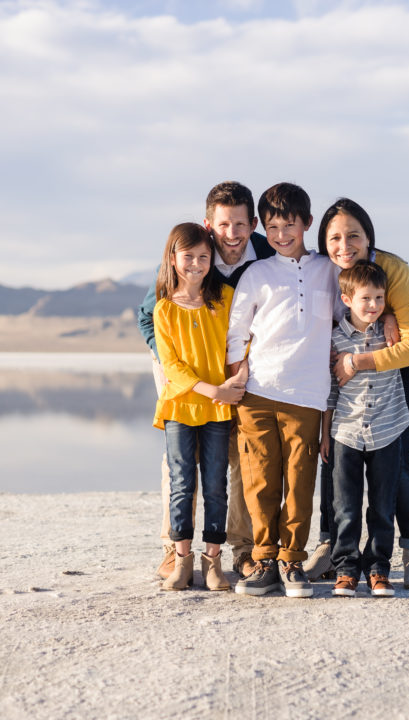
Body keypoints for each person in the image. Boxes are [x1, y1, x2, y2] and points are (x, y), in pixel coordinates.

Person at [307, 197, 409, 590]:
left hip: (407, 365)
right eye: (334, 237)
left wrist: (358, 360)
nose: (344, 245)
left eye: (353, 235)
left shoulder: (394, 270)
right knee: (336, 459)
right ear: (323, 242)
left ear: (369, 237)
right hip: (346, 364)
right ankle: (332, 548)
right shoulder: (325, 268)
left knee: (399, 459)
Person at [137, 182, 274, 581]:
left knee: (240, 460)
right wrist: (178, 372)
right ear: (208, 224)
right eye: (223, 225)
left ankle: (241, 549)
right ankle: (172, 548)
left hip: (241, 376)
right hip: (184, 378)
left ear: (252, 224)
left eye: (240, 224)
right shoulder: (191, 253)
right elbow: (150, 316)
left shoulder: (267, 255)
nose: (232, 234)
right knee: (179, 465)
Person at [226, 182, 341, 598]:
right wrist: (238, 377)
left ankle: (292, 561)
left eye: (288, 225)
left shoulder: (329, 269)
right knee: (260, 482)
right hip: (258, 394)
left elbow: (348, 317)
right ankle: (264, 560)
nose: (280, 235)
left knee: (299, 481)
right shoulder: (257, 274)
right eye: (272, 227)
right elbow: (237, 331)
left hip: (308, 395)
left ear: (307, 223)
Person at [152, 223, 246, 591]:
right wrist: (214, 390)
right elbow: (171, 365)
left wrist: (236, 381)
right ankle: (180, 562)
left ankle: (213, 564)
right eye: (187, 256)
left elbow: (241, 342)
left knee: (215, 486)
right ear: (173, 259)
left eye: (203, 257)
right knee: (181, 484)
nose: (195, 264)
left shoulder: (224, 299)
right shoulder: (164, 309)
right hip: (180, 408)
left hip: (217, 413)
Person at [320, 261, 409, 598]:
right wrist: (325, 432)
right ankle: (345, 570)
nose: (373, 305)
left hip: (388, 430)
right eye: (366, 299)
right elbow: (330, 388)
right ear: (346, 299)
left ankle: (378, 569)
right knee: (344, 506)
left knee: (382, 504)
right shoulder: (334, 338)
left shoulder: (394, 334)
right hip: (345, 431)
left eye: (379, 298)